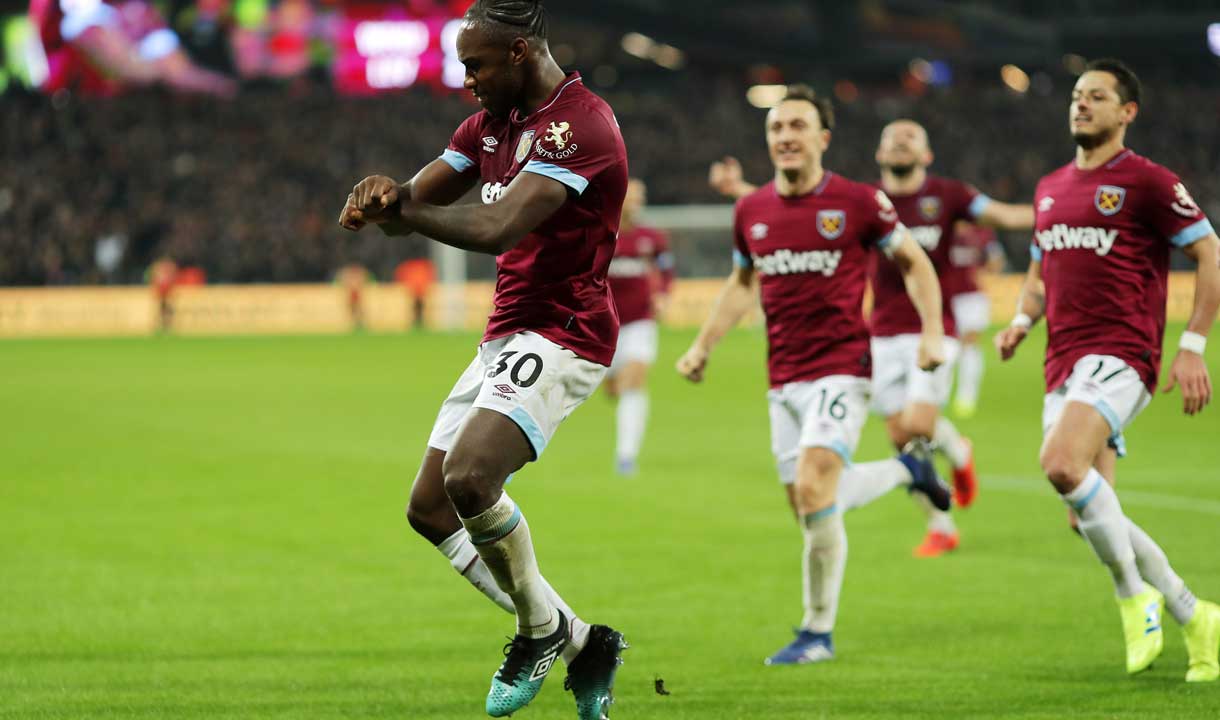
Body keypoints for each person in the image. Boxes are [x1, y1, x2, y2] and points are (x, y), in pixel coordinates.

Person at [337, 2, 628, 716]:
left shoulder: (580, 125)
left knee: (470, 477)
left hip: (565, 330)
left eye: (476, 64)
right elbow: (415, 204)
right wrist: (380, 196)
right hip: (507, 334)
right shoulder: (487, 127)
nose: (466, 79)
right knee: (430, 508)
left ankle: (538, 631)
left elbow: (498, 226)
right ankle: (584, 641)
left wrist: (402, 212)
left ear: (522, 53)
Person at [678, 85, 951, 666]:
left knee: (813, 486)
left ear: (822, 138)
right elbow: (742, 284)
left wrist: (931, 331)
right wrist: (704, 345)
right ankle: (907, 468)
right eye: (776, 129)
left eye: (797, 126)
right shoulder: (751, 211)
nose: (786, 137)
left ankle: (816, 632)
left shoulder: (858, 202)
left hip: (843, 368)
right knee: (811, 506)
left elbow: (916, 263)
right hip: (783, 380)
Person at [710, 120, 1035, 558]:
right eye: (891, 139)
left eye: (910, 138)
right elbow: (795, 208)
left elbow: (1006, 215)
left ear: (926, 155)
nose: (899, 143)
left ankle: (958, 451)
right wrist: (740, 189)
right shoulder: (861, 201)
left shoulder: (948, 195)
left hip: (932, 325)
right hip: (878, 332)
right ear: (879, 155)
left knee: (919, 425)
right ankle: (941, 525)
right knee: (901, 437)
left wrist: (1061, 209)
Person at [995, 58, 1219, 681]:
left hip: (1123, 353)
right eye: (1075, 95)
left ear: (1128, 112)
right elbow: (1042, 271)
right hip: (1062, 361)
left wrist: (1193, 344)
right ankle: (1194, 613)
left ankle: (1132, 596)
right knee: (1085, 511)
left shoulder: (1146, 181)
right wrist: (1020, 320)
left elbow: (1208, 249)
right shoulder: (1049, 188)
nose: (1081, 104)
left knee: (1060, 463)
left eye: (1097, 96)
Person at [605, 178, 673, 476]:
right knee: (613, 389)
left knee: (634, 380)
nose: (636, 202)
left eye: (639, 197)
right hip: (605, 325)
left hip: (640, 323)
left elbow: (667, 270)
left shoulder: (652, 238)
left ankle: (626, 456)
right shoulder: (603, 235)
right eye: (631, 196)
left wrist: (663, 296)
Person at [945, 223, 1006, 418]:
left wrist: (987, 266)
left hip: (971, 297)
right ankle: (941, 394)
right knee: (948, 346)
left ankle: (967, 396)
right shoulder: (942, 227)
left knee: (970, 343)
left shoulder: (981, 232)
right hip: (944, 297)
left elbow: (997, 262)